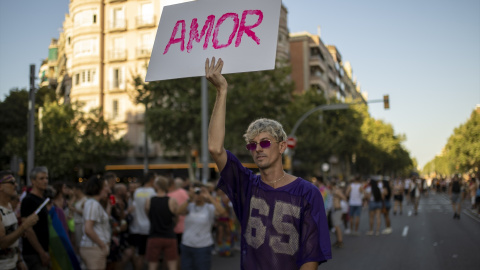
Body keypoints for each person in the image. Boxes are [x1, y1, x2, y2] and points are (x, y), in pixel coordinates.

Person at [206, 57, 331, 270]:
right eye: (252, 145)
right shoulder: (245, 185)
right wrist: (222, 91)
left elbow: (311, 256)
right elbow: (215, 148)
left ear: (282, 146)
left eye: (264, 142)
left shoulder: (308, 193)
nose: (258, 149)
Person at [177, 183, 225, 270]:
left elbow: (222, 212)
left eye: (200, 192)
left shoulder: (209, 208)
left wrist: (209, 196)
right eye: (196, 192)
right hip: (187, 245)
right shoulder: (189, 206)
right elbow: (178, 211)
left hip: (203, 246)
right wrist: (190, 199)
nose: (198, 194)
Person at [0, 170, 39, 270]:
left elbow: (12, 235)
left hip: (12, 265)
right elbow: (2, 243)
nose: (16, 184)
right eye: (12, 182)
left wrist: (19, 260)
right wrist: (23, 227)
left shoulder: (8, 206)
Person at [145, 176, 179, 270]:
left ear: (156, 186)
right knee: (172, 265)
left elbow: (148, 216)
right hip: (169, 235)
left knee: (152, 265)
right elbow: (176, 218)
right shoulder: (172, 201)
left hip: (154, 235)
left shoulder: (149, 201)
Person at [21, 166, 51, 270]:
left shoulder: (42, 199)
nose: (45, 181)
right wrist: (41, 253)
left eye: (46, 178)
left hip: (43, 251)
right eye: (41, 178)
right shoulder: (28, 200)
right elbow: (28, 229)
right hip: (34, 253)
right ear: (33, 181)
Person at [80, 175, 111, 270]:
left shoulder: (93, 203)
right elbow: (88, 229)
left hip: (94, 248)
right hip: (94, 249)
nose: (108, 190)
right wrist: (102, 245)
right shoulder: (93, 204)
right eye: (105, 186)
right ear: (99, 188)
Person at [129, 172, 157, 270]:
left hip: (137, 227)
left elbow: (133, 207)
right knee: (151, 256)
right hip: (149, 228)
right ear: (152, 180)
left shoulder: (137, 191)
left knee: (140, 254)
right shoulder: (153, 192)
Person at [331, 182, 347, 248]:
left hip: (338, 210)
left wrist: (338, 196)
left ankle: (340, 241)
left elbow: (344, 198)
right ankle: (338, 240)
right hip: (335, 210)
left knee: (337, 226)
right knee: (335, 226)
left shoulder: (337, 191)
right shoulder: (334, 191)